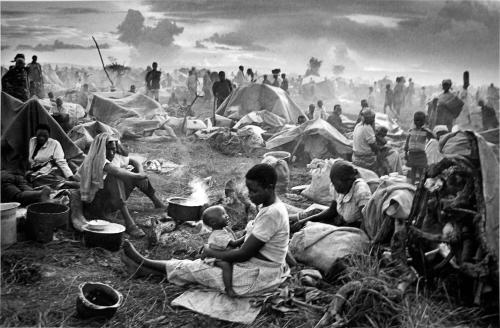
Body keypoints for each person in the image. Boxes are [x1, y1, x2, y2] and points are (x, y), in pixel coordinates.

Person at [121, 164, 290, 297]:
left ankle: (142, 261)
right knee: (199, 267)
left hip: (257, 276)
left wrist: (210, 251)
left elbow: (243, 254)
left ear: (269, 187)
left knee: (196, 269)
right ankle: (142, 270)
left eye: (254, 191)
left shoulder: (272, 213)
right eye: (249, 189)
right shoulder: (270, 207)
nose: (250, 195)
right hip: (261, 268)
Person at [71, 133, 164, 237]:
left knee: (132, 171)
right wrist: (140, 176)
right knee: (117, 176)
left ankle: (156, 201)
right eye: (108, 150)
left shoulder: (112, 157)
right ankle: (130, 224)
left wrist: (140, 171)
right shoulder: (98, 160)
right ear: (101, 150)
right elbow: (117, 172)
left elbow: (134, 161)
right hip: (93, 204)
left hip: (108, 200)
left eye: (113, 149)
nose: (111, 153)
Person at [291, 160, 372, 230]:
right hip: (341, 222)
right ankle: (291, 219)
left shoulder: (361, 191)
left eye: (336, 184)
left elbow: (367, 222)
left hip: (354, 229)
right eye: (333, 183)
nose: (334, 187)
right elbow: (332, 211)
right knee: (314, 213)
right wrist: (304, 221)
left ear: (348, 181)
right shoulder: (338, 189)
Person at [202, 205, 239, 297]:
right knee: (226, 265)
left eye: (225, 213)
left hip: (221, 252)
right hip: (213, 257)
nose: (227, 215)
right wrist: (248, 236)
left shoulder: (224, 229)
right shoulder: (218, 235)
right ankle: (228, 289)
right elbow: (234, 243)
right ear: (213, 222)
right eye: (223, 214)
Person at [26, 124, 78, 189]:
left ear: (49, 135)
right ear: (35, 134)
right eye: (39, 135)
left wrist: (70, 176)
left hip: (49, 171)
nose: (42, 138)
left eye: (45, 136)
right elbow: (31, 160)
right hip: (35, 172)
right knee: (34, 180)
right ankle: (63, 184)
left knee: (40, 179)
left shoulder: (54, 144)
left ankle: (68, 183)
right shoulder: (32, 141)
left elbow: (61, 161)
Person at [404, 111, 435, 184]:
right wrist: (405, 153)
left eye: (420, 120)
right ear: (414, 121)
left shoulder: (425, 131)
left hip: (421, 153)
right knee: (413, 169)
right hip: (412, 153)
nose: (418, 122)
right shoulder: (411, 131)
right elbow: (407, 142)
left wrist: (428, 129)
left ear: (424, 121)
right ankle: (412, 183)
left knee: (422, 169)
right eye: (416, 120)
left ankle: (421, 184)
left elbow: (433, 137)